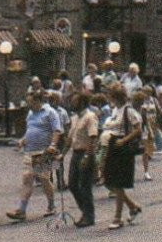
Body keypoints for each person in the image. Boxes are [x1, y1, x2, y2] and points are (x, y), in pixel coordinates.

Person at [7, 92, 61, 223]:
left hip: (43, 151)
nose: (28, 104)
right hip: (29, 151)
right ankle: (21, 210)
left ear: (38, 101)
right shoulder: (30, 114)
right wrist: (22, 140)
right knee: (27, 180)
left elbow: (57, 130)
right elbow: (29, 130)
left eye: (30, 102)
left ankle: (51, 205)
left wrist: (53, 145)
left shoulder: (50, 112)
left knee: (44, 179)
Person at [101, 84, 145, 228]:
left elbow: (138, 129)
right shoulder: (115, 110)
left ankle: (117, 218)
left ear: (116, 97)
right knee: (110, 181)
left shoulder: (128, 110)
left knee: (118, 183)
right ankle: (132, 206)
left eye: (111, 96)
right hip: (113, 145)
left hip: (123, 147)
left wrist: (123, 140)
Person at [64, 91, 102, 227]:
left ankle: (89, 216)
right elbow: (70, 138)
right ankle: (84, 211)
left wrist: (88, 155)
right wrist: (62, 154)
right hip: (75, 153)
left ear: (81, 102)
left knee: (85, 186)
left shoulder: (90, 117)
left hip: (86, 153)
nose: (72, 103)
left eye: (74, 101)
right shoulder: (74, 118)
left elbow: (93, 137)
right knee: (73, 184)